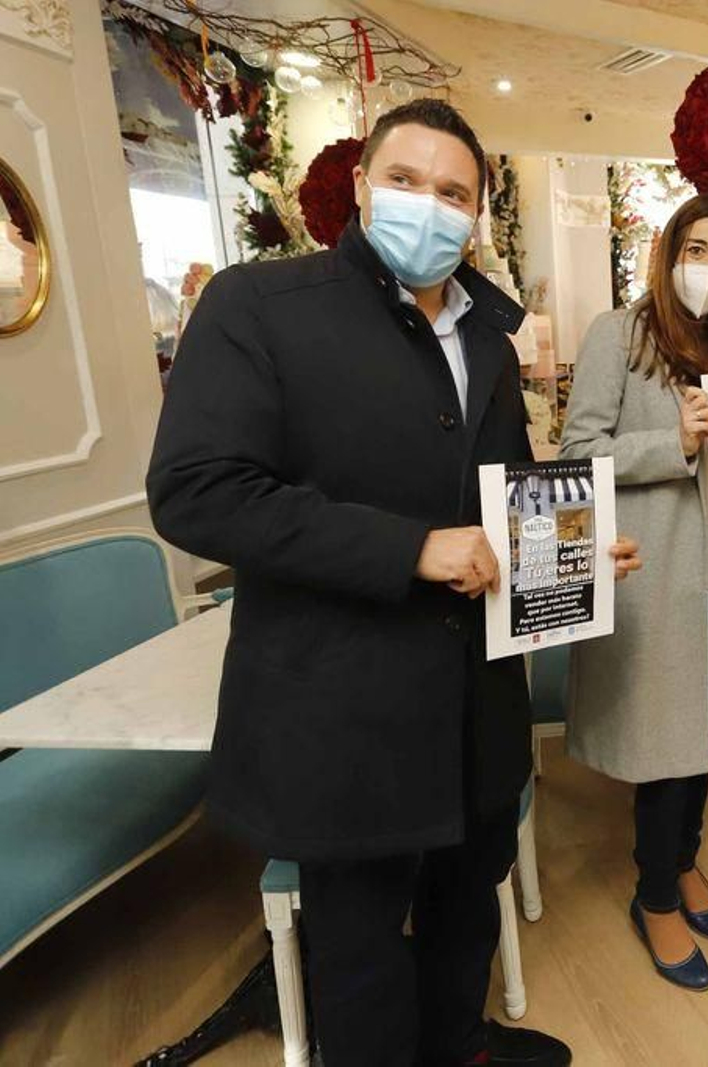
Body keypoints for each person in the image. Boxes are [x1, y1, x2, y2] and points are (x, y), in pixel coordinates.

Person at [146, 99, 641, 1067]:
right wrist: (411, 547)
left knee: (469, 903)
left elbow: (498, 505)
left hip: (476, 700)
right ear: (363, 187)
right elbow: (197, 491)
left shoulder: (491, 343)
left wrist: (572, 551)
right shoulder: (259, 308)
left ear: (478, 214)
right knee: (362, 945)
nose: (430, 206)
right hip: (344, 707)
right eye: (407, 181)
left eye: (454, 192)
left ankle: (460, 1043)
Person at [560, 193, 708, 992]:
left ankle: (684, 858)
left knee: (704, 735)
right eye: (699, 249)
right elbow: (579, 450)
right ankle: (653, 894)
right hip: (661, 578)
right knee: (668, 747)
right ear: (669, 251)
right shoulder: (617, 335)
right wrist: (673, 442)